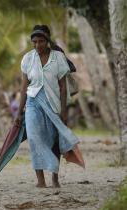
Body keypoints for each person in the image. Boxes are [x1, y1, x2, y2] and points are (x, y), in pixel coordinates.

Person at [15, 25, 83, 188]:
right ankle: (40, 180)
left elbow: (63, 87)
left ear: (47, 41)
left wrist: (64, 112)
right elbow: (24, 87)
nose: (37, 45)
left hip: (54, 104)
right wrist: (19, 113)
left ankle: (54, 177)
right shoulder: (27, 59)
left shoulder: (58, 57)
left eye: (41, 41)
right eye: (34, 42)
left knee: (54, 141)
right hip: (33, 103)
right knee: (34, 138)